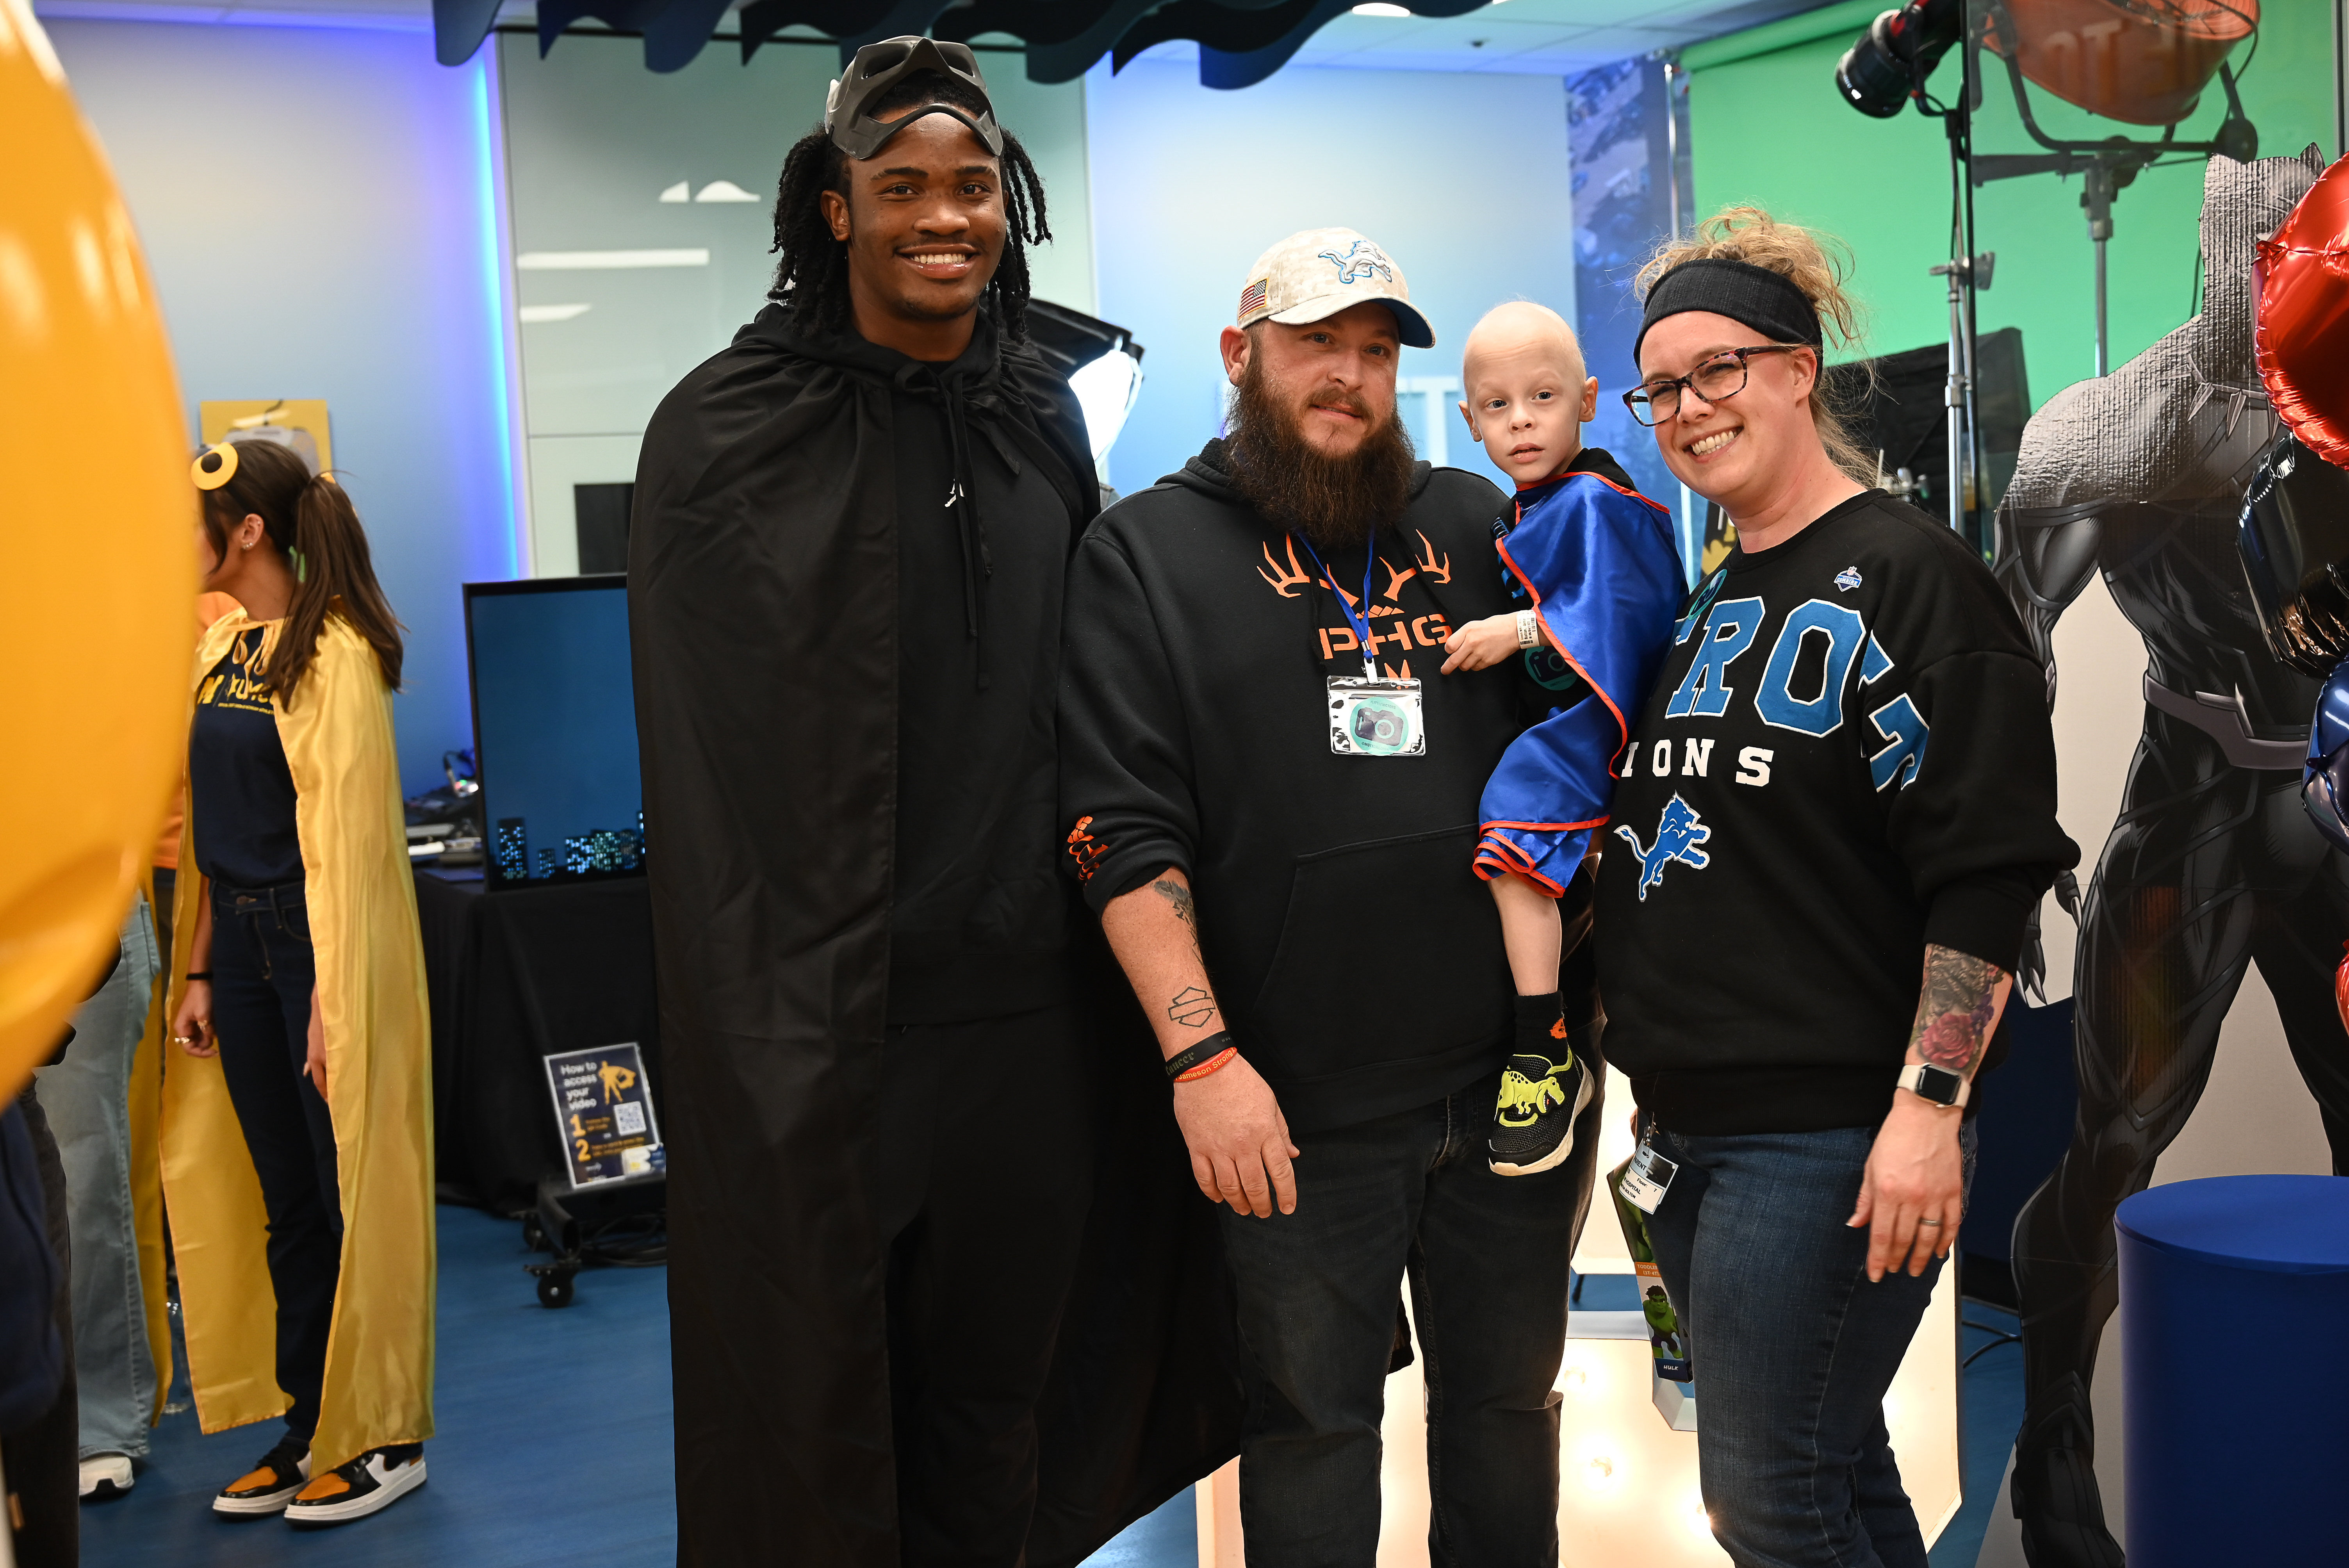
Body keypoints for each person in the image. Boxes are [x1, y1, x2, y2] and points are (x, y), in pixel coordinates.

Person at [631, 39, 1226, 1567]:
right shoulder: (726, 430)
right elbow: (720, 773)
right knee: (824, 1418)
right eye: (901, 187)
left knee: (998, 1418)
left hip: (1030, 1026)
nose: (943, 215)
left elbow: (1097, 693)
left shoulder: (1043, 414)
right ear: (835, 209)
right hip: (827, 1036)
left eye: (973, 186)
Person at [1060, 227, 1609, 1562]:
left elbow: (1603, 710)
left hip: (1508, 1084)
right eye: (1319, 345)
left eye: (1375, 352)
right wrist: (1199, 1054)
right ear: (1243, 352)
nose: (1349, 377)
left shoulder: (1480, 524)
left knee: (1503, 1414)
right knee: (1307, 1429)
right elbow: (1114, 831)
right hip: (1295, 1110)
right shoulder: (1143, 555)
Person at [1592, 207, 2077, 1566]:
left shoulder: (1918, 582)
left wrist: (1928, 1109)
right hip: (1687, 1128)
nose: (1686, 409)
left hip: (1826, 1138)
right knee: (1835, 1468)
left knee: (1767, 1501)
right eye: (1662, 386)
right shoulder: (1705, 597)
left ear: (1798, 368)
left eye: (1719, 369)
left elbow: (1986, 876)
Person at [162, 434, 435, 1526]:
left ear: (247, 531)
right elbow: (208, 825)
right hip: (240, 950)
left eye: (185, 524)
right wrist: (195, 971)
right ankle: (308, 1420)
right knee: (288, 1206)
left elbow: (351, 851)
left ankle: (384, 1435)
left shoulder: (336, 654)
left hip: (321, 956)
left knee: (351, 1195)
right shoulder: (222, 648)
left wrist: (332, 997)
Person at [1435, 300, 1685, 1175]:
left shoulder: (1592, 499)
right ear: (1468, 423)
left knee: (1510, 834)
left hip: (1603, 723)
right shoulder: (1532, 504)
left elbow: (1627, 616)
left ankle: (1540, 1041)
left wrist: (1520, 632)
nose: (1520, 422)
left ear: (1584, 399)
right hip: (1570, 718)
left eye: (1541, 398)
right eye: (1496, 407)